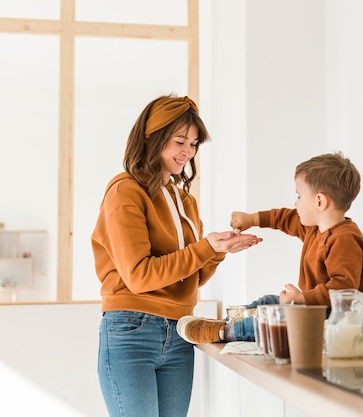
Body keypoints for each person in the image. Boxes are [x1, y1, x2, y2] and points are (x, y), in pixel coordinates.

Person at [91, 95, 262, 417]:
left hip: (182, 328)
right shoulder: (125, 190)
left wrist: (217, 253)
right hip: (132, 329)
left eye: (194, 143)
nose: (188, 151)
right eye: (179, 141)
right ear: (151, 138)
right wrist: (205, 248)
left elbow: (189, 278)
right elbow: (140, 276)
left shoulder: (185, 201)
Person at [180, 151, 363, 342]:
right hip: (315, 309)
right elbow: (285, 218)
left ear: (319, 201)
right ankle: (223, 324)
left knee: (279, 316)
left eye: (299, 196)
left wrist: (302, 298)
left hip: (340, 318)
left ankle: (227, 333)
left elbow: (344, 289)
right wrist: (253, 219)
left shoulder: (345, 239)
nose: (295, 203)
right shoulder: (314, 229)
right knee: (267, 302)